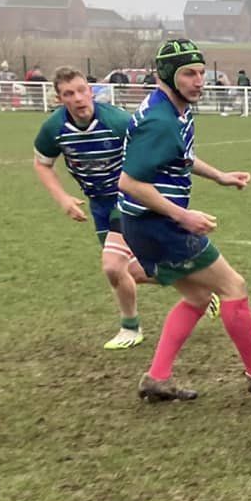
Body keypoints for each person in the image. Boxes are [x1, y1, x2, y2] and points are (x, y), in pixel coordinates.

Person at [117, 39, 251, 401]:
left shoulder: (174, 110)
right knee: (234, 286)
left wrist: (219, 176)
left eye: (202, 72)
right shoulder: (160, 121)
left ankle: (157, 377)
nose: (199, 81)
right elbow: (129, 183)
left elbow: (181, 157)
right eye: (189, 73)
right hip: (157, 225)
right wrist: (182, 215)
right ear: (167, 75)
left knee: (198, 296)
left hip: (147, 223)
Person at [31, 66, 153, 349]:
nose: (77, 98)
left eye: (82, 90)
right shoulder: (54, 128)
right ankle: (197, 281)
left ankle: (131, 328)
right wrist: (63, 198)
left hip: (128, 198)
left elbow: (150, 154)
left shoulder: (118, 122)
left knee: (112, 266)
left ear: (91, 91)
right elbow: (42, 164)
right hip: (99, 204)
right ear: (59, 99)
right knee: (131, 271)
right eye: (68, 94)